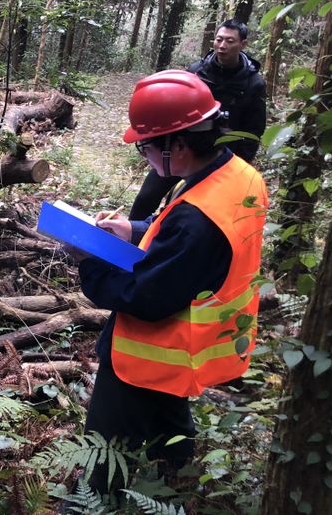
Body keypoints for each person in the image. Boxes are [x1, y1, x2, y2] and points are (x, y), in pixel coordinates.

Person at [76, 71, 268, 495]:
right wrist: (135, 227)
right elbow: (184, 242)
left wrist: (89, 261)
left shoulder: (196, 219)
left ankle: (94, 500)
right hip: (191, 344)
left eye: (146, 145)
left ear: (177, 144)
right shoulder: (239, 176)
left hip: (146, 354)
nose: (143, 154)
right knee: (170, 421)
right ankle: (176, 482)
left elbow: (143, 297)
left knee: (105, 450)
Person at [128, 19, 266, 220]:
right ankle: (128, 238)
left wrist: (239, 164)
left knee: (182, 206)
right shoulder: (197, 71)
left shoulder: (253, 83)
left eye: (229, 41)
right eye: (219, 39)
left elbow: (254, 129)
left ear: (243, 44)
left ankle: (158, 240)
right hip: (177, 150)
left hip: (216, 158)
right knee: (146, 197)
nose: (222, 46)